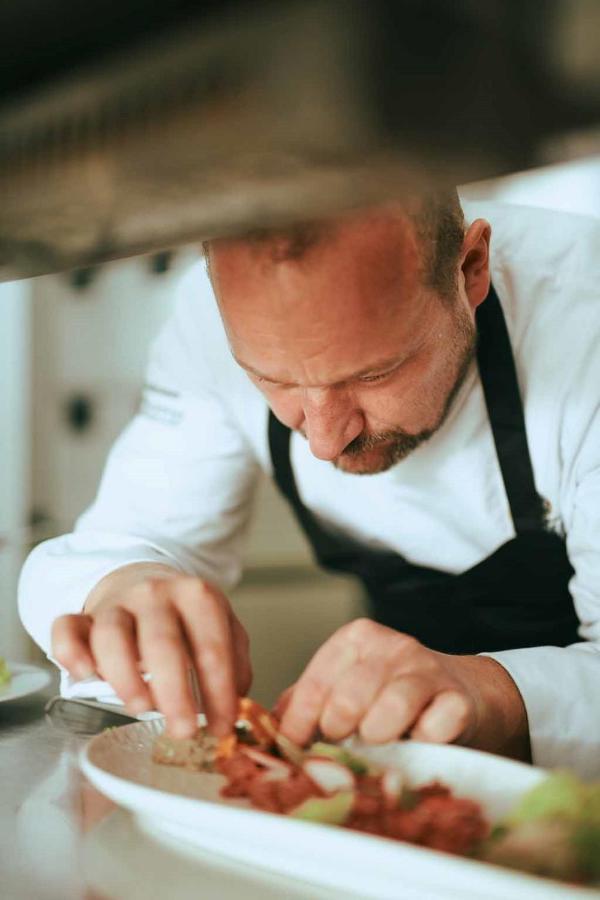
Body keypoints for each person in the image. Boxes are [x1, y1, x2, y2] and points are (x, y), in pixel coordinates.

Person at [19, 192, 600, 778]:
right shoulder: (207, 319)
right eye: (271, 380)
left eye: (374, 374)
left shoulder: (587, 321)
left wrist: (488, 693)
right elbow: (129, 538)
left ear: (471, 270)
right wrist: (124, 586)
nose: (323, 440)